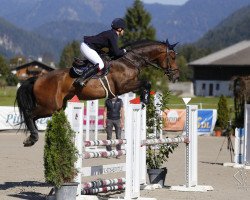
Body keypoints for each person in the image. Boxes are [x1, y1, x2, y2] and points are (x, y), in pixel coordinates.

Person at [74, 18, 127, 86]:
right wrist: (124, 51)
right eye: (123, 29)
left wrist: (120, 51)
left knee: (101, 60)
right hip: (87, 47)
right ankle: (81, 79)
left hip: (86, 46)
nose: (124, 31)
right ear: (119, 29)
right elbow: (116, 53)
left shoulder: (111, 34)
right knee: (100, 65)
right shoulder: (113, 36)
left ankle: (83, 70)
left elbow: (112, 52)